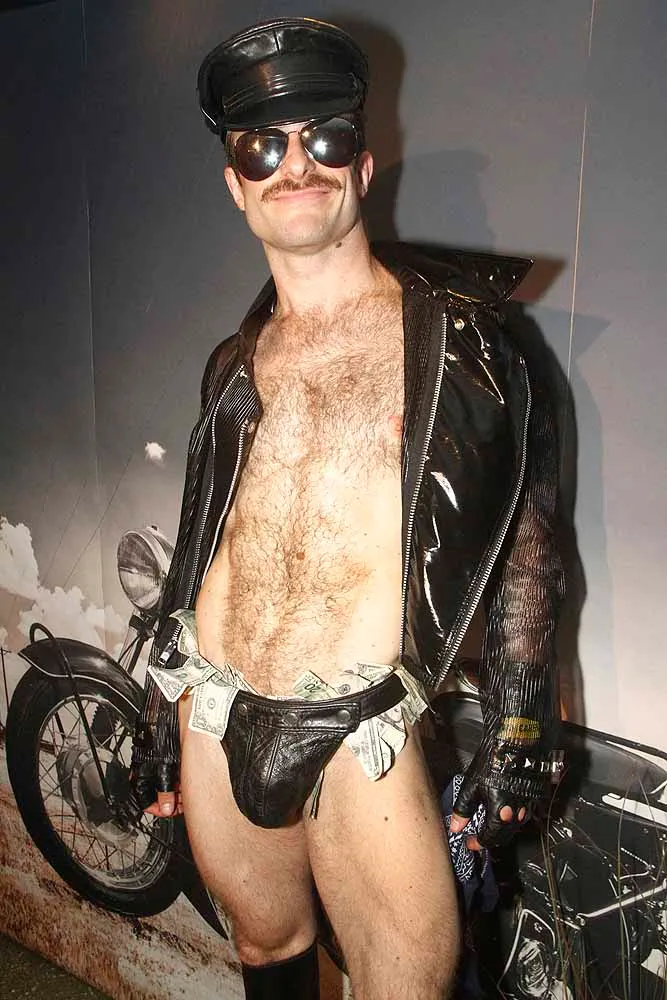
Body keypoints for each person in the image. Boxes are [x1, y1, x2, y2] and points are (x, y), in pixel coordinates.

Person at [131, 17, 564, 1000]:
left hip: (361, 728)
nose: (296, 165)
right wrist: (162, 707)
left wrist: (518, 735)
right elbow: (202, 542)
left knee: (404, 980)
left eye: (323, 138)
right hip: (217, 704)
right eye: (262, 147)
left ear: (362, 167)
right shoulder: (233, 362)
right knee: (263, 948)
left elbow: (531, 557)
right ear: (235, 183)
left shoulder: (466, 349)